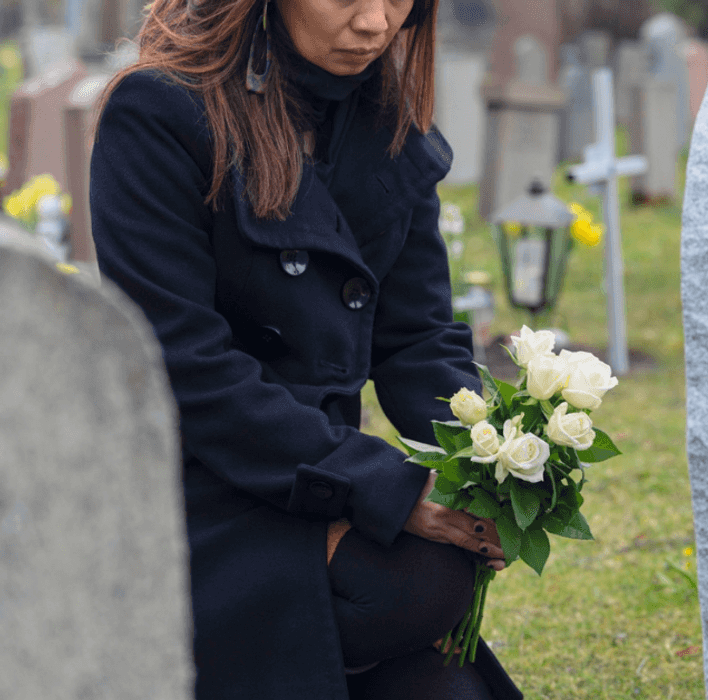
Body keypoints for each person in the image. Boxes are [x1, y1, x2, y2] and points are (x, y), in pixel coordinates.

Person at [89, 0, 523, 698]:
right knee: (413, 584)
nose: (376, 23)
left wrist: (494, 461)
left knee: (434, 588)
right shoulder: (158, 114)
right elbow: (187, 368)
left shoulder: (385, 127)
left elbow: (417, 338)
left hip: (315, 476)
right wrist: (384, 488)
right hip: (205, 485)